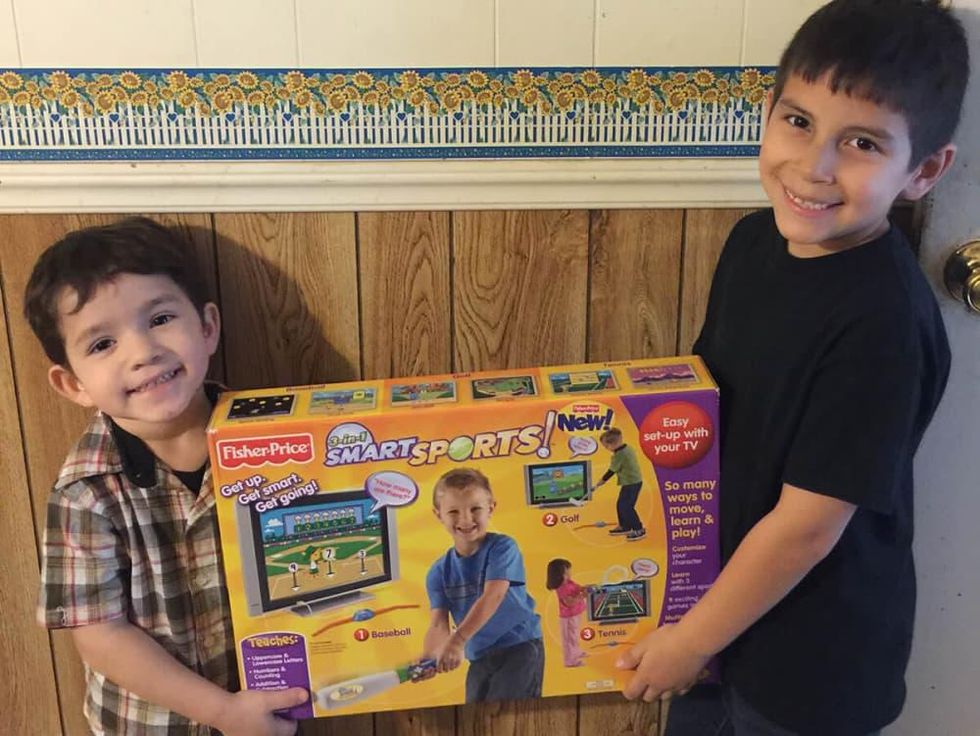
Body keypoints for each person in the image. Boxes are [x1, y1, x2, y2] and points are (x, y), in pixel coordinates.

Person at [616, 2, 966, 735]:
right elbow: (708, 409)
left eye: (862, 143)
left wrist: (690, 642)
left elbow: (807, 528)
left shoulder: (882, 323)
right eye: (799, 121)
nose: (814, 166)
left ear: (924, 171)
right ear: (768, 112)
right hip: (719, 615)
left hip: (813, 663)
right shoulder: (753, 243)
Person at [26, 218, 308, 735]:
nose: (143, 352)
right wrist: (222, 712)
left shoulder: (280, 445)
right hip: (151, 725)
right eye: (102, 344)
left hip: (270, 707)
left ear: (207, 327)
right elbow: (100, 635)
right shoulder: (85, 492)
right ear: (73, 384)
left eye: (159, 318)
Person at [422, 467, 544, 702]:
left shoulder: (503, 548)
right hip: (479, 655)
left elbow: (493, 596)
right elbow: (438, 624)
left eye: (475, 509)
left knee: (509, 712)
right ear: (438, 515)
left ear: (491, 508)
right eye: (453, 511)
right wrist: (429, 658)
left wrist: (457, 641)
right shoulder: (438, 572)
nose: (465, 519)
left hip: (520, 647)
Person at [593, 427, 646, 541]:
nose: (606, 449)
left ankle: (639, 529)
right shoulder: (628, 447)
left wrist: (600, 482)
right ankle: (624, 526)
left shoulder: (619, 455)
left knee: (626, 507)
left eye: (606, 446)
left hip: (632, 483)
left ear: (612, 444)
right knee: (620, 504)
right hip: (630, 482)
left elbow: (611, 471)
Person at [545, 559, 588, 667]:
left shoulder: (570, 583)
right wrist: (582, 596)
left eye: (569, 571)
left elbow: (579, 588)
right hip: (569, 617)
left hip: (575, 614)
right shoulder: (562, 588)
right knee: (569, 639)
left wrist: (586, 588)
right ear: (559, 575)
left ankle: (576, 651)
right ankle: (570, 660)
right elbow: (569, 602)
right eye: (566, 573)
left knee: (575, 636)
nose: (569, 574)